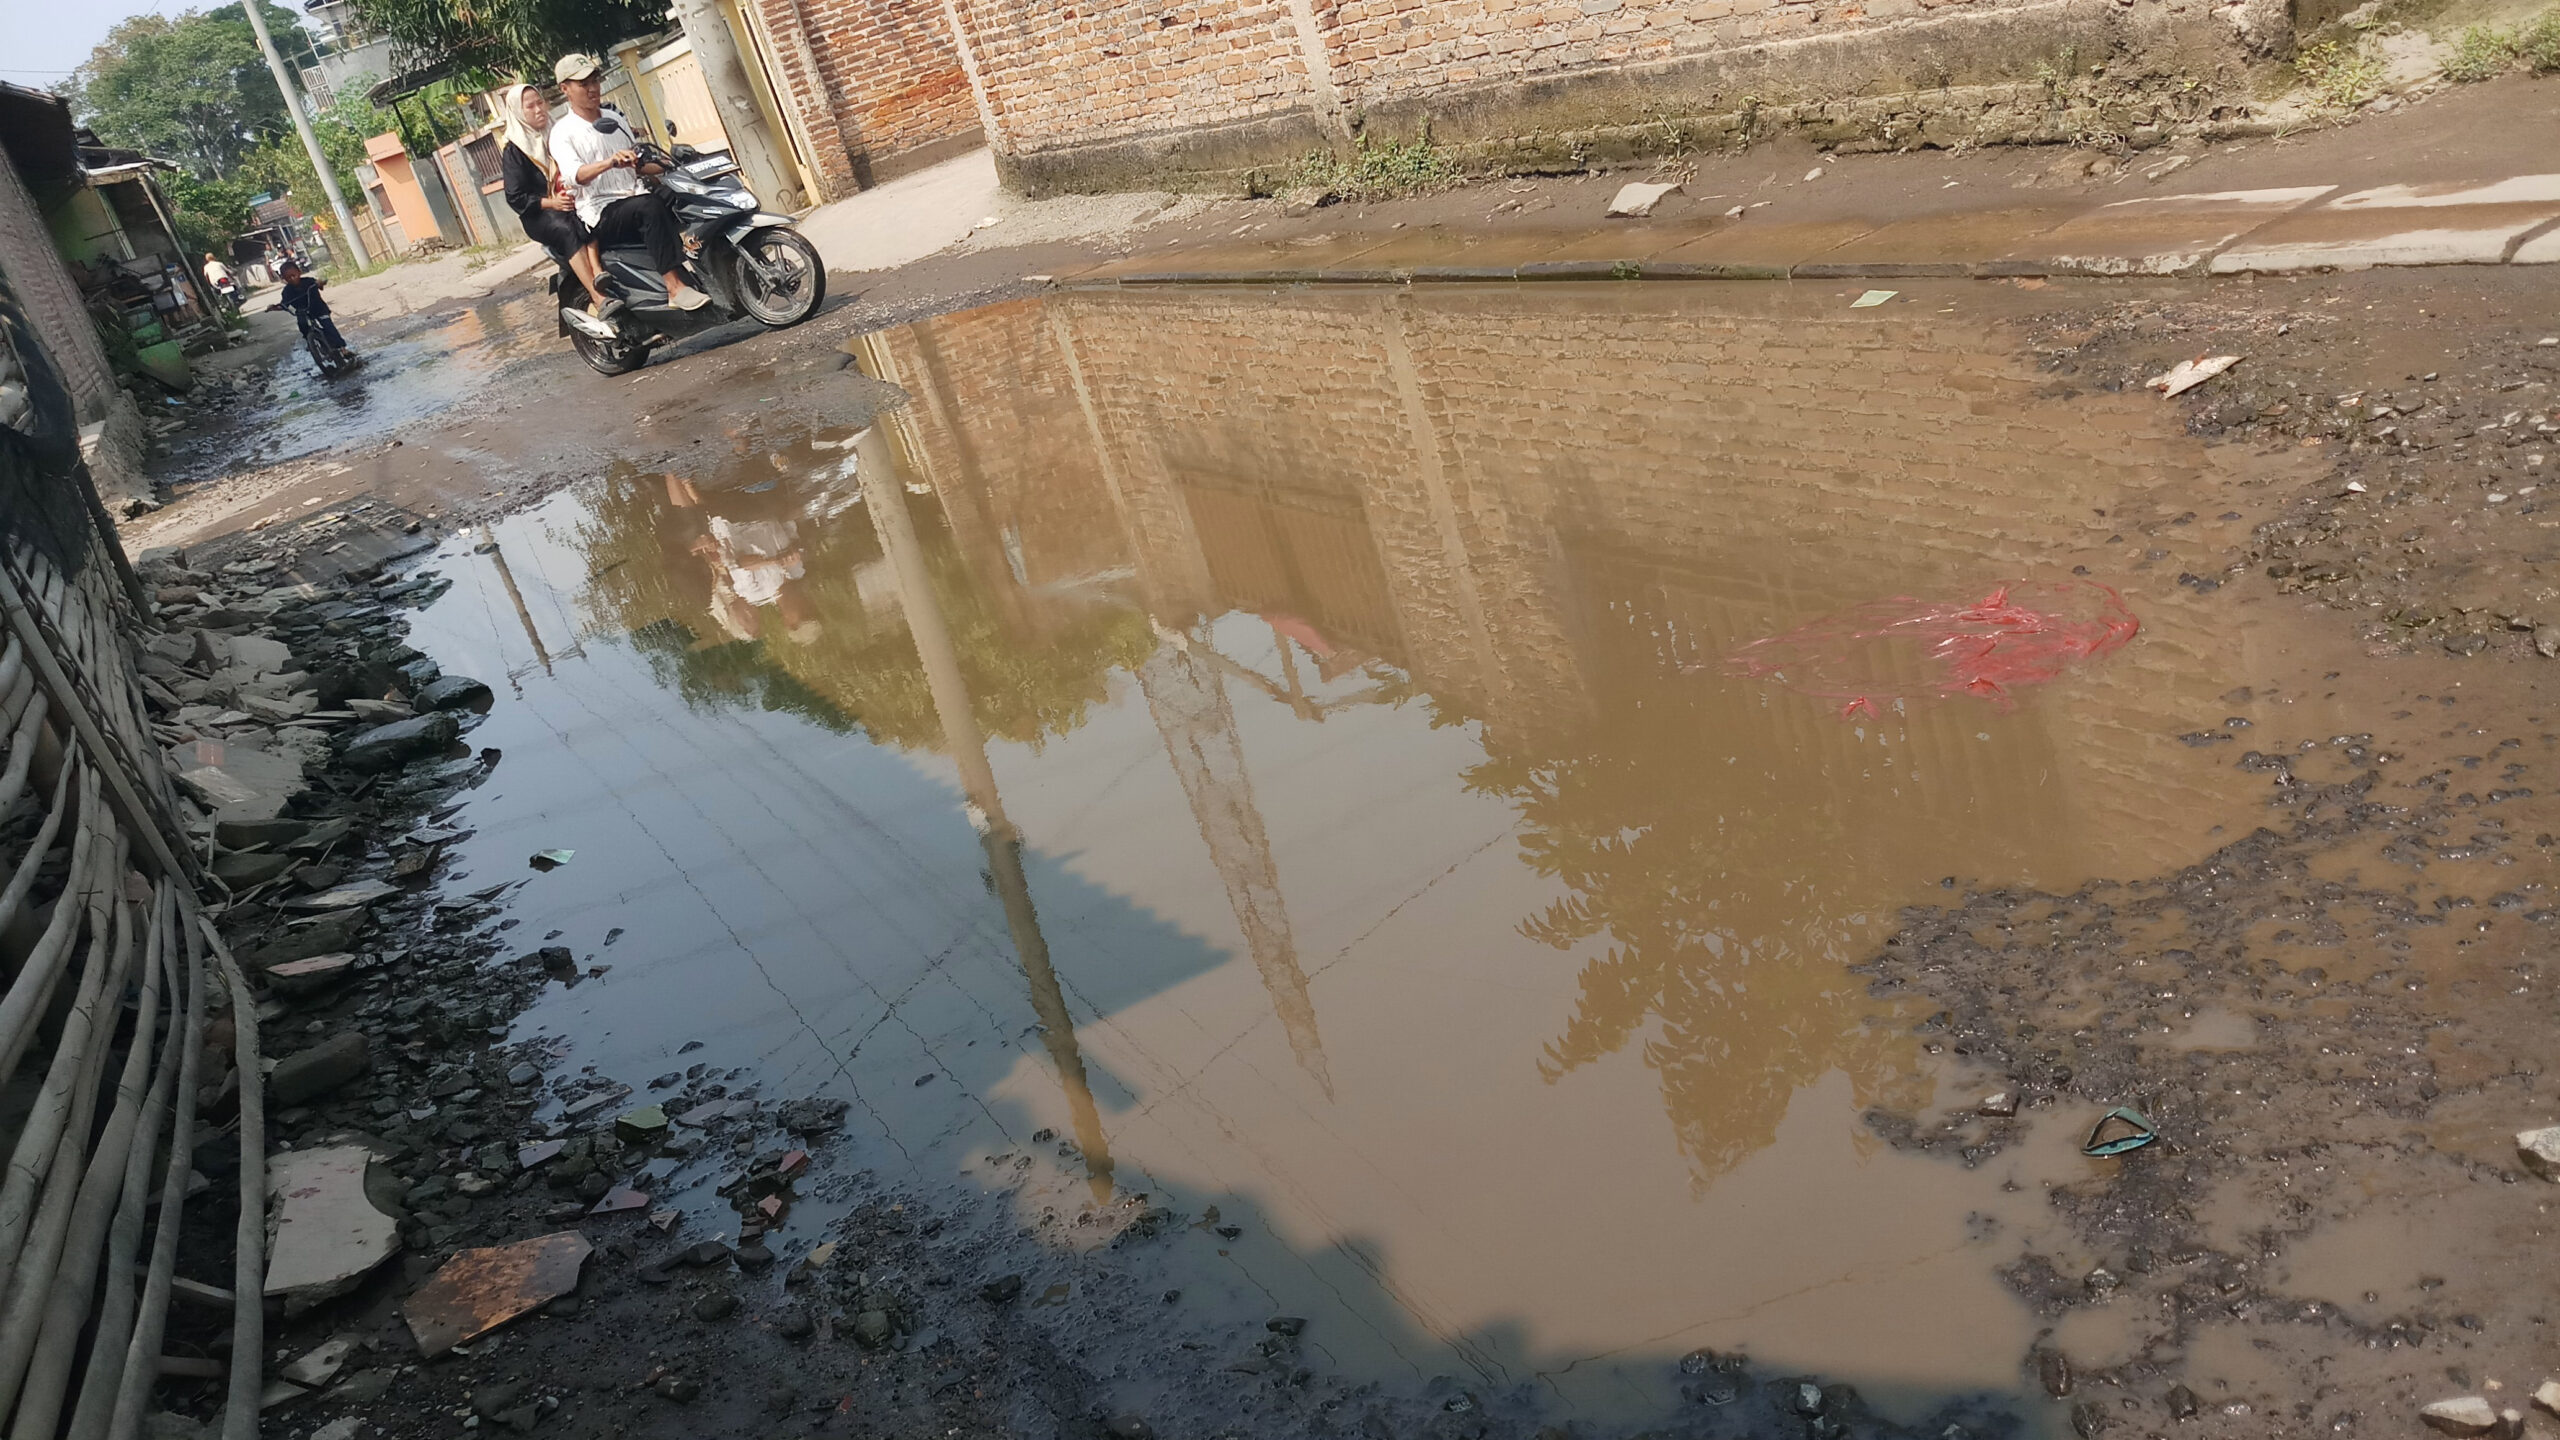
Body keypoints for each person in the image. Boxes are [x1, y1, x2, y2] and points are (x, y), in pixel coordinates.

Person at [547, 54, 710, 311]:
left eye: (595, 81)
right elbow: (575, 175)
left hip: (634, 193)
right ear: (565, 89)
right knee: (649, 206)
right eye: (583, 84)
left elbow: (638, 163)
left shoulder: (613, 119)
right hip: (600, 212)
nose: (592, 89)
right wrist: (609, 162)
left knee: (681, 193)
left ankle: (708, 268)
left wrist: (672, 163)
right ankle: (674, 288)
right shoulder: (562, 132)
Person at [497, 82, 617, 316]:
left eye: (540, 102)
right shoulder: (515, 149)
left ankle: (601, 270)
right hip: (541, 214)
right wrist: (551, 203)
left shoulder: (559, 132)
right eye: (529, 107)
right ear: (518, 113)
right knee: (567, 230)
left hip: (571, 200)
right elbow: (515, 196)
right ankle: (598, 296)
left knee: (600, 213)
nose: (538, 109)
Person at [267, 260, 350, 360]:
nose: (292, 279)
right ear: (284, 279)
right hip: (303, 313)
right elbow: (284, 304)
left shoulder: (309, 281)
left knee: (329, 327)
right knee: (302, 325)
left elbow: (320, 284)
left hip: (319, 309)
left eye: (294, 275)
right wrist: (274, 308)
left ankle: (343, 349)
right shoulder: (287, 291)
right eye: (288, 278)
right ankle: (311, 343)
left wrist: (321, 282)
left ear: (299, 272)